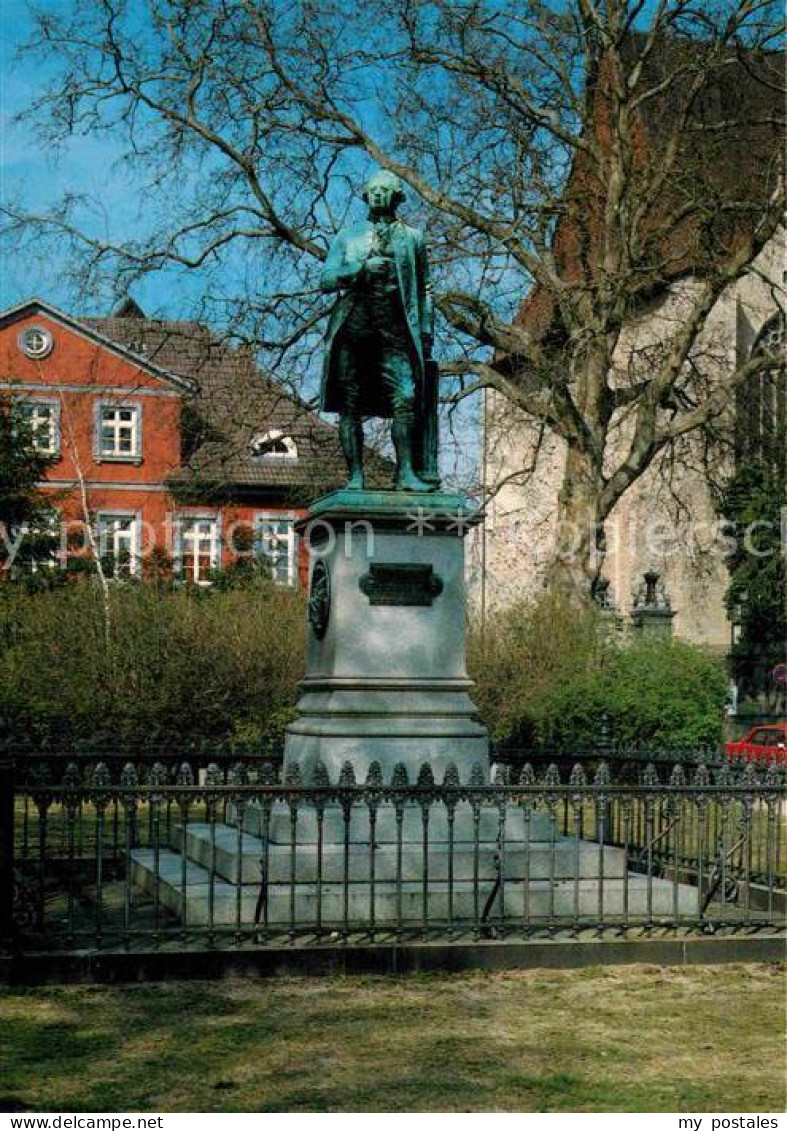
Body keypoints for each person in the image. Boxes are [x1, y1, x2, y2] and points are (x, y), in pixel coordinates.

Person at [320, 168, 438, 492]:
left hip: (395, 331)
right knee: (350, 403)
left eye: (385, 190)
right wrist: (360, 269)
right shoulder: (348, 237)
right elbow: (325, 280)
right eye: (373, 190)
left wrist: (426, 330)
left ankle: (406, 474)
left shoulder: (413, 238)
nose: (378, 195)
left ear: (397, 196)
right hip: (354, 330)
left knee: (406, 397)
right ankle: (355, 476)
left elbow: (425, 287)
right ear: (365, 196)